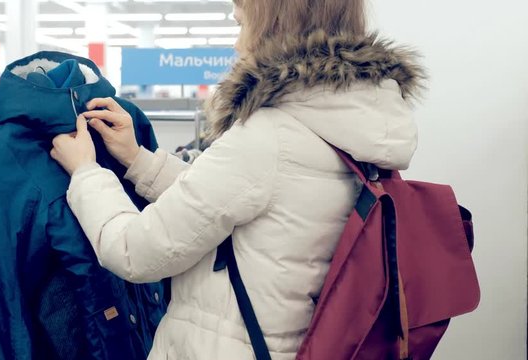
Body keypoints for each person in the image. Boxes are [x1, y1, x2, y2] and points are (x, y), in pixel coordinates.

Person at [50, 0, 423, 358]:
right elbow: (239, 199)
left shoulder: (266, 137)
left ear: (272, 24)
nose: (237, 41)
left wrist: (86, 173)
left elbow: (135, 251)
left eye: (240, 22)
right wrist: (137, 160)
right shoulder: (342, 123)